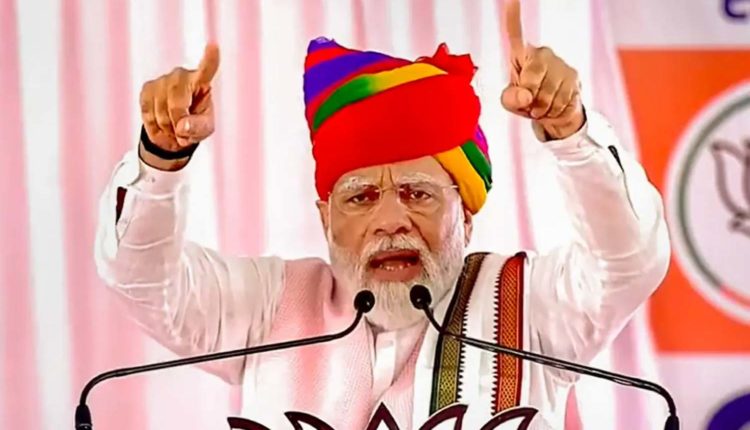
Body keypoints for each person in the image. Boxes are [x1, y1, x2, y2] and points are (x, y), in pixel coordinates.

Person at [94, 3, 670, 429]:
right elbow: (143, 280)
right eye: (361, 197)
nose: (391, 220)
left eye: (418, 193)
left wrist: (570, 132)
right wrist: (160, 158)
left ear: (466, 216)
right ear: (326, 219)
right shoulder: (267, 309)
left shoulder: (533, 307)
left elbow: (629, 260)